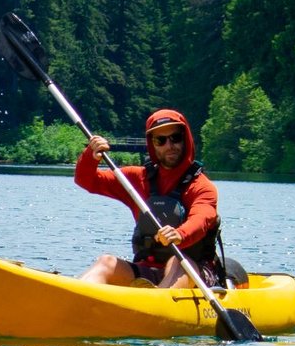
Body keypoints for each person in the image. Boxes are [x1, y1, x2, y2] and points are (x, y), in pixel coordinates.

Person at [74, 108, 224, 289]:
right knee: (106, 262)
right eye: (161, 140)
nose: (169, 145)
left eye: (175, 138)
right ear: (152, 144)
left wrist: (180, 234)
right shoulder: (137, 179)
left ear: (186, 139)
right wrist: (90, 156)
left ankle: (155, 306)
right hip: (149, 269)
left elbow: (202, 218)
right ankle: (75, 300)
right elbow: (86, 180)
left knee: (178, 263)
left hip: (195, 273)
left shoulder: (202, 186)